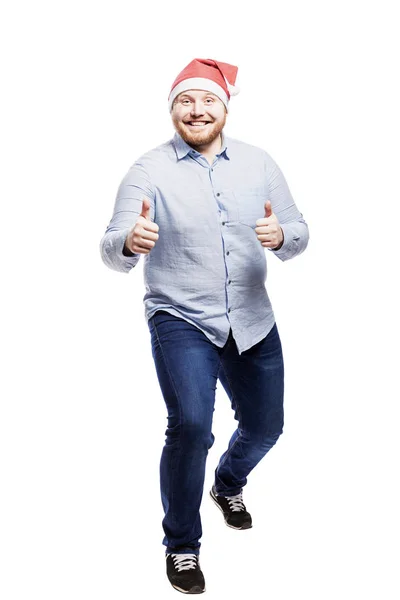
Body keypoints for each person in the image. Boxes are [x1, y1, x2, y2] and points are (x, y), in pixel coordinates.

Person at [100, 58, 309, 594]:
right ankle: (182, 546)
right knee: (192, 426)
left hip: (252, 317)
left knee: (267, 427)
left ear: (224, 107)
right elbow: (111, 244)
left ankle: (228, 484)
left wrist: (281, 235)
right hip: (180, 316)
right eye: (185, 102)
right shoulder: (147, 169)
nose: (196, 110)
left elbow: (300, 229)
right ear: (173, 110)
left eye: (207, 101)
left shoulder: (260, 163)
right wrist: (128, 242)